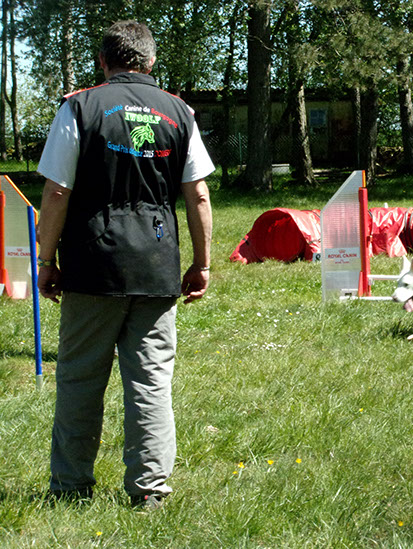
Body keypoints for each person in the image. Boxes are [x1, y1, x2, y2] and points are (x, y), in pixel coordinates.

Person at [35, 20, 214, 509]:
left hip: (92, 266)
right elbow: (198, 194)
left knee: (79, 380)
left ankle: (70, 488)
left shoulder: (79, 107)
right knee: (151, 383)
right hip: (157, 265)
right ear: (151, 61)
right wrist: (201, 264)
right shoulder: (180, 112)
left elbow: (56, 191)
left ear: (103, 61)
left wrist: (46, 259)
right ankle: (149, 491)